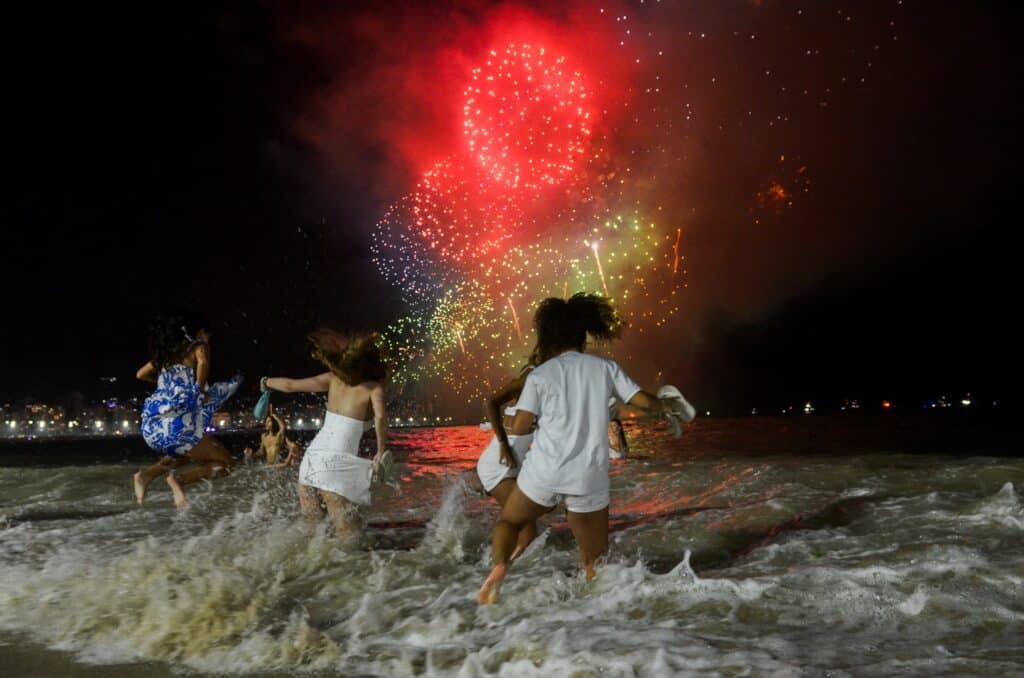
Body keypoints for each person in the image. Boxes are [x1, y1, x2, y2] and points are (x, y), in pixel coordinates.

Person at [478, 293, 670, 604]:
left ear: (549, 336)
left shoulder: (540, 374)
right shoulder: (606, 368)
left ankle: (499, 570)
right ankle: (597, 614)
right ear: (583, 335)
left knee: (510, 523)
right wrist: (666, 404)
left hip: (544, 474)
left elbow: (521, 426)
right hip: (587, 477)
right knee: (595, 561)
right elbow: (644, 403)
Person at [261, 330, 387, 538]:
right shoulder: (374, 388)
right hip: (334, 468)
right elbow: (380, 418)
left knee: (314, 535)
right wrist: (381, 452)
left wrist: (265, 382)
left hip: (309, 464)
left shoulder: (332, 379)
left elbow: (291, 385)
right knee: (350, 541)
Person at [133, 311, 242, 508]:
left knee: (184, 454)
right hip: (177, 427)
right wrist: (199, 390)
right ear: (200, 332)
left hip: (151, 429)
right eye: (208, 335)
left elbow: (140, 374)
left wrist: (164, 387)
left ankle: (146, 475)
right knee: (227, 464)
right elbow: (203, 360)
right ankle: (179, 481)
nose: (209, 340)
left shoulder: (165, 355)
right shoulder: (199, 345)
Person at [476, 358, 537, 559]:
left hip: (513, 468)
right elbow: (491, 402)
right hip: (498, 466)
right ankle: (503, 575)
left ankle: (501, 567)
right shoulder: (531, 375)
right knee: (528, 535)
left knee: (525, 529)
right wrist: (503, 444)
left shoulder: (550, 382)